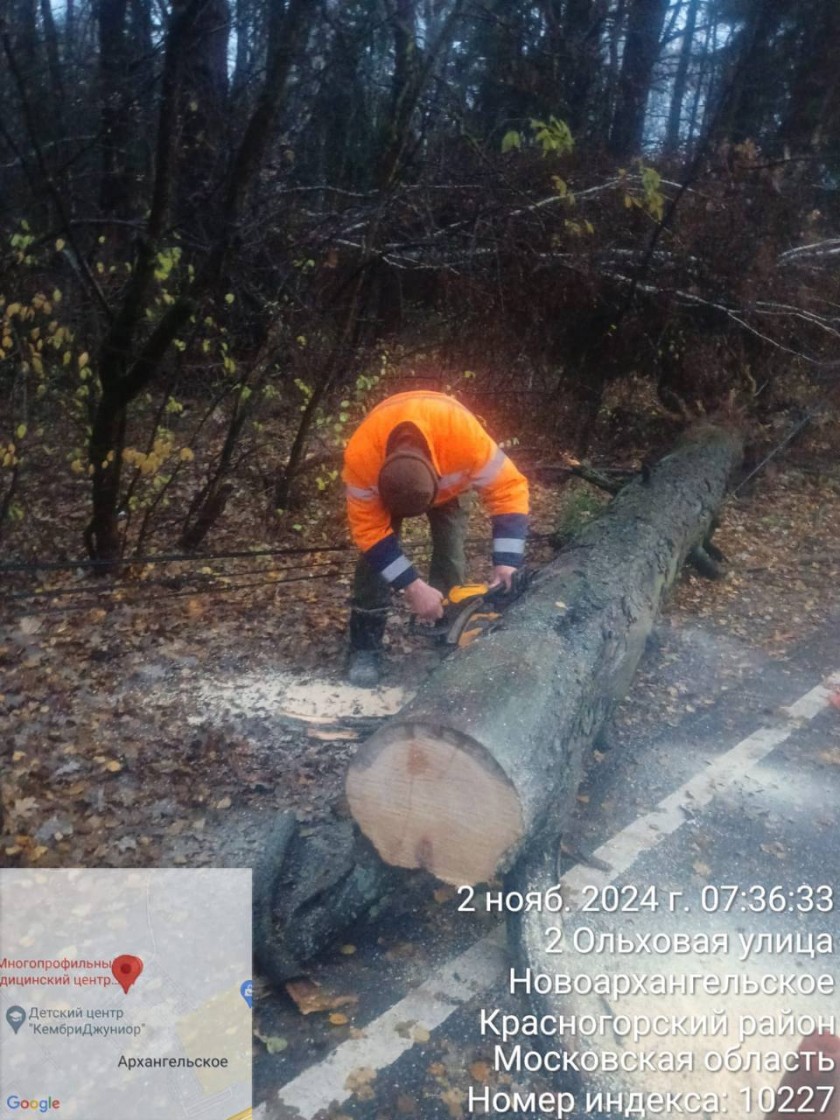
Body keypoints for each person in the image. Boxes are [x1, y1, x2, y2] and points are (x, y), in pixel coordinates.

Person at [342, 390, 529, 686]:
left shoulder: (462, 437)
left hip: (449, 488)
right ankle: (365, 645)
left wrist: (507, 562)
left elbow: (508, 489)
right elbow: (370, 533)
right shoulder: (362, 458)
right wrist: (412, 587)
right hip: (388, 489)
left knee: (451, 549)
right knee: (371, 563)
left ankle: (446, 634)